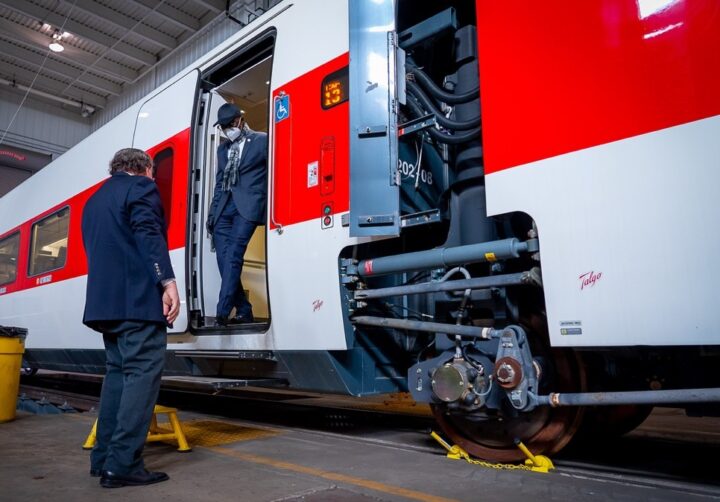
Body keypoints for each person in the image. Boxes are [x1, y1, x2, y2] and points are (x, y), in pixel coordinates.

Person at [82, 148, 180, 488]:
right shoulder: (140, 187)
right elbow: (148, 234)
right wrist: (166, 280)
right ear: (144, 168)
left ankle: (103, 459)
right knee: (140, 377)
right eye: (152, 172)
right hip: (136, 303)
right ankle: (123, 464)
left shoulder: (93, 201)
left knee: (118, 378)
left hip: (105, 306)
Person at [206, 103, 268, 326]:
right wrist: (212, 214)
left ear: (240, 121)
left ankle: (222, 313)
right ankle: (244, 309)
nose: (227, 130)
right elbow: (219, 183)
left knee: (233, 256)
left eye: (229, 125)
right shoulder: (222, 150)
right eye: (223, 127)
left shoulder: (262, 141)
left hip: (248, 207)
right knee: (223, 261)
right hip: (224, 208)